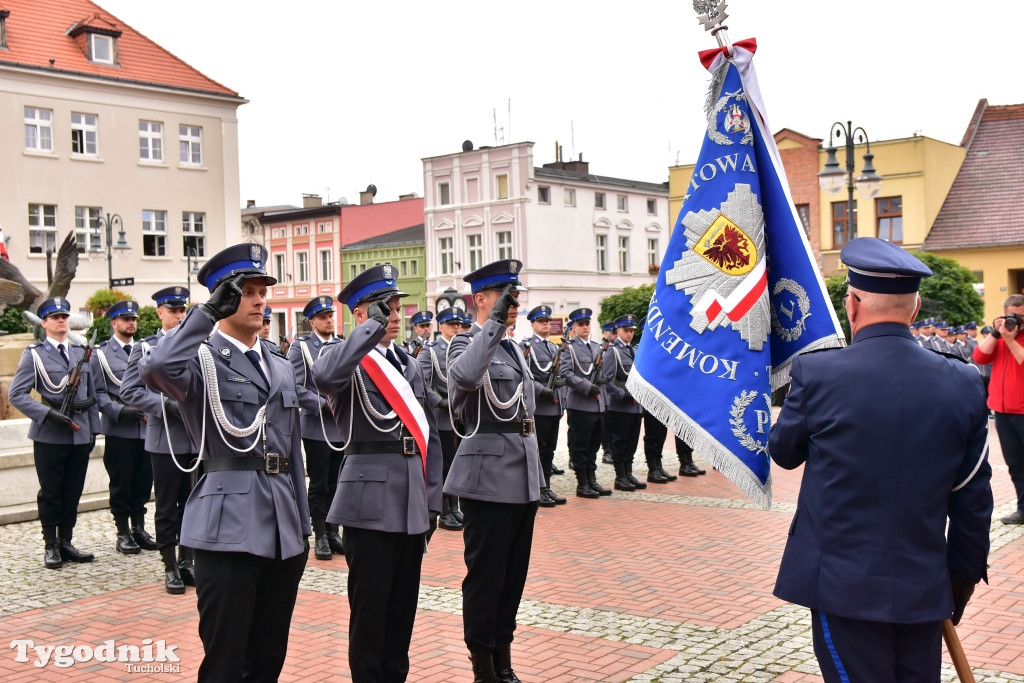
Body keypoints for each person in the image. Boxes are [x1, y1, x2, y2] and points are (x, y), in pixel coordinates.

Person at [771, 237, 993, 681]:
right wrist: (959, 582)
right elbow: (973, 497)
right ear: (915, 308)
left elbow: (783, 452)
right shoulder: (963, 381)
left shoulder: (818, 373)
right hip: (925, 586)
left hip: (840, 586)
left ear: (852, 303)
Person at [139, 245, 310, 682]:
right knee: (225, 659)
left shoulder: (278, 361)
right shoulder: (201, 356)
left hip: (282, 527)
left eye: (261, 292)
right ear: (223, 299)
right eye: (246, 292)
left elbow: (291, 452)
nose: (259, 301)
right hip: (226, 525)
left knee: (269, 656)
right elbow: (157, 368)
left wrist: (303, 527)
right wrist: (205, 315)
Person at [312, 264, 442, 683]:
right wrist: (368, 330)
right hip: (369, 505)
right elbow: (325, 376)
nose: (395, 313)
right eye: (384, 307)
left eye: (398, 305)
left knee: (402, 612)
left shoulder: (408, 362)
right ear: (359, 316)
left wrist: (433, 498)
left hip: (409, 503)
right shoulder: (346, 360)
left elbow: (430, 435)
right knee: (370, 614)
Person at [445, 258, 541, 683]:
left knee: (513, 576)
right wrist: (493, 325)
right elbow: (465, 378)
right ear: (481, 299)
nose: (513, 306)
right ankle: (482, 664)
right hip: (487, 479)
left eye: (515, 299)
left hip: (521, 475)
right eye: (505, 298)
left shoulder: (513, 348)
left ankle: (504, 658)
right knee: (487, 577)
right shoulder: (464, 342)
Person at [9, 297, 100, 569]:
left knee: (73, 491)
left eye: (64, 316)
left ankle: (66, 541)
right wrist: (47, 414)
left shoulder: (80, 353)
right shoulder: (34, 354)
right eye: (55, 317)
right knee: (51, 492)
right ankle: (50, 545)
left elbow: (91, 396)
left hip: (79, 435)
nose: (62, 320)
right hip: (49, 435)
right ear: (45, 323)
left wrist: (93, 431)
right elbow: (17, 395)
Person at [121, 286, 199, 594]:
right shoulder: (145, 348)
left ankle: (188, 560)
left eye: (183, 310)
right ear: (159, 313)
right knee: (167, 505)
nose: (180, 316)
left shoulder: (196, 346)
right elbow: (129, 391)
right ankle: (169, 565)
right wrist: (162, 405)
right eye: (173, 311)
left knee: (192, 503)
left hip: (195, 438)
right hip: (165, 438)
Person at [90, 299, 155, 556]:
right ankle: (123, 532)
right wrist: (121, 411)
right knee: (121, 482)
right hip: (120, 430)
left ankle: (139, 528)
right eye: (126, 319)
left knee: (143, 481)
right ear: (114, 323)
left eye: (134, 319)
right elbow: (98, 393)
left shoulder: (146, 350)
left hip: (147, 428)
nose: (131, 323)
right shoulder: (102, 354)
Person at [288, 295, 346, 560]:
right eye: (323, 317)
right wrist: (321, 404)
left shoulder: (341, 345)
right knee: (320, 483)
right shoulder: (301, 348)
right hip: (317, 426)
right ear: (312, 322)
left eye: (331, 316)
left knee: (337, 482)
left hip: (341, 427)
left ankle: (334, 531)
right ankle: (320, 533)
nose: (329, 321)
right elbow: (295, 387)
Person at [973, 293, 1024, 525]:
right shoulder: (1001, 336)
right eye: (1013, 315)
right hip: (1003, 412)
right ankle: (1023, 509)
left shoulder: (1015, 338)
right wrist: (996, 333)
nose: (1017, 320)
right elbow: (979, 357)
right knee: (1015, 464)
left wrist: (1011, 339)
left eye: (1021, 316)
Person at [419, 300, 468, 529]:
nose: (457, 328)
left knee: (458, 463)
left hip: (461, 416)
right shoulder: (430, 351)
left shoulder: (467, 349)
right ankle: (443, 510)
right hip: (441, 417)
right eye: (451, 324)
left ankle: (454, 507)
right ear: (441, 326)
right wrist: (440, 402)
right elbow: (420, 383)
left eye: (459, 324)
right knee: (442, 465)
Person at [559, 308, 611, 498]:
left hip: (598, 404)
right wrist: (586, 386)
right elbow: (565, 373)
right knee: (581, 445)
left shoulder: (597, 347)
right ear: (573, 327)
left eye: (587, 324)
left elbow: (603, 373)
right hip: (580, 404)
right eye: (580, 324)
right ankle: (582, 484)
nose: (585, 327)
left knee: (594, 445)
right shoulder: (569, 348)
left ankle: (591, 479)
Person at [521, 304, 567, 507]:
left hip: (554, 406)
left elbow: (559, 373)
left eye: (548, 321)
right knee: (538, 450)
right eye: (541, 321)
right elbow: (526, 376)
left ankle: (546, 486)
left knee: (549, 451)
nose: (546, 324)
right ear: (532, 324)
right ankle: (537, 489)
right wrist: (542, 390)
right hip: (539, 406)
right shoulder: (527, 346)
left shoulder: (553, 347)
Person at [600, 314, 647, 492]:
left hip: (635, 406)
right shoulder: (613, 351)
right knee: (620, 441)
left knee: (632, 441)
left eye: (631, 331)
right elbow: (607, 379)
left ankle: (628, 473)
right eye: (626, 330)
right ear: (618, 331)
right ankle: (620, 477)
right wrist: (622, 395)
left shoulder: (634, 351)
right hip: (621, 406)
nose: (629, 334)